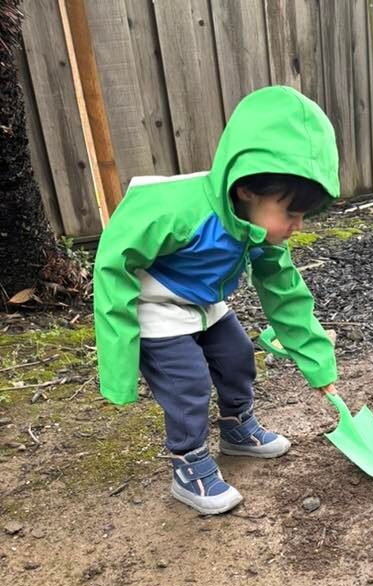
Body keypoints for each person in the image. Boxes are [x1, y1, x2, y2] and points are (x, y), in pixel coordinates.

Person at [93, 86, 340, 515]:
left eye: (305, 216)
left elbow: (284, 293)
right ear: (246, 189)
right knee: (187, 383)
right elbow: (112, 265)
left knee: (237, 356)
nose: (297, 226)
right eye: (291, 213)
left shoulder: (261, 229)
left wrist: (317, 363)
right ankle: (188, 463)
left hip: (205, 304)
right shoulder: (176, 209)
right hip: (157, 306)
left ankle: (236, 430)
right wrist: (118, 364)